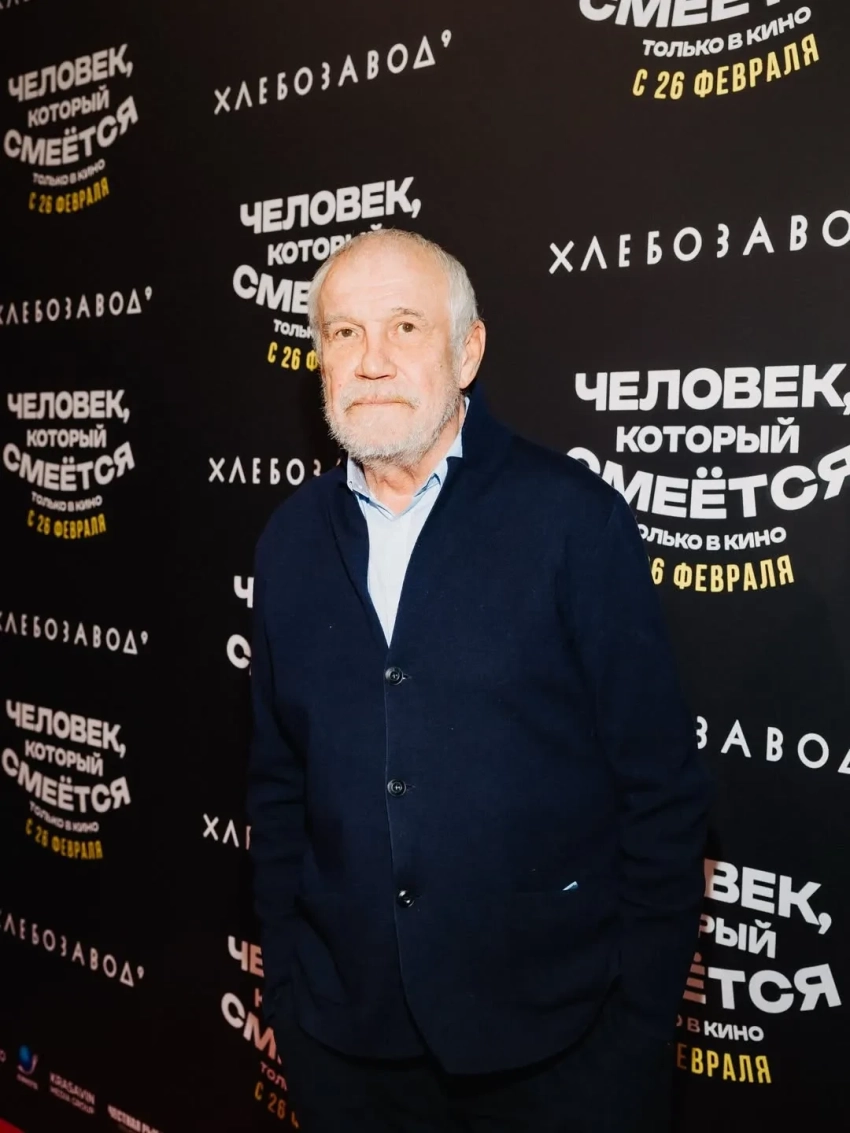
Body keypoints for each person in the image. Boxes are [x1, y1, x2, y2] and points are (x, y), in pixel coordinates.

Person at [246, 228, 711, 1132]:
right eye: (343, 333)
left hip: (558, 1051)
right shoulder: (288, 542)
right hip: (347, 1049)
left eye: (405, 326)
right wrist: (291, 998)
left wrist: (635, 1030)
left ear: (468, 351)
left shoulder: (572, 520)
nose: (371, 360)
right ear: (320, 361)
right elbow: (278, 785)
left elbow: (662, 794)